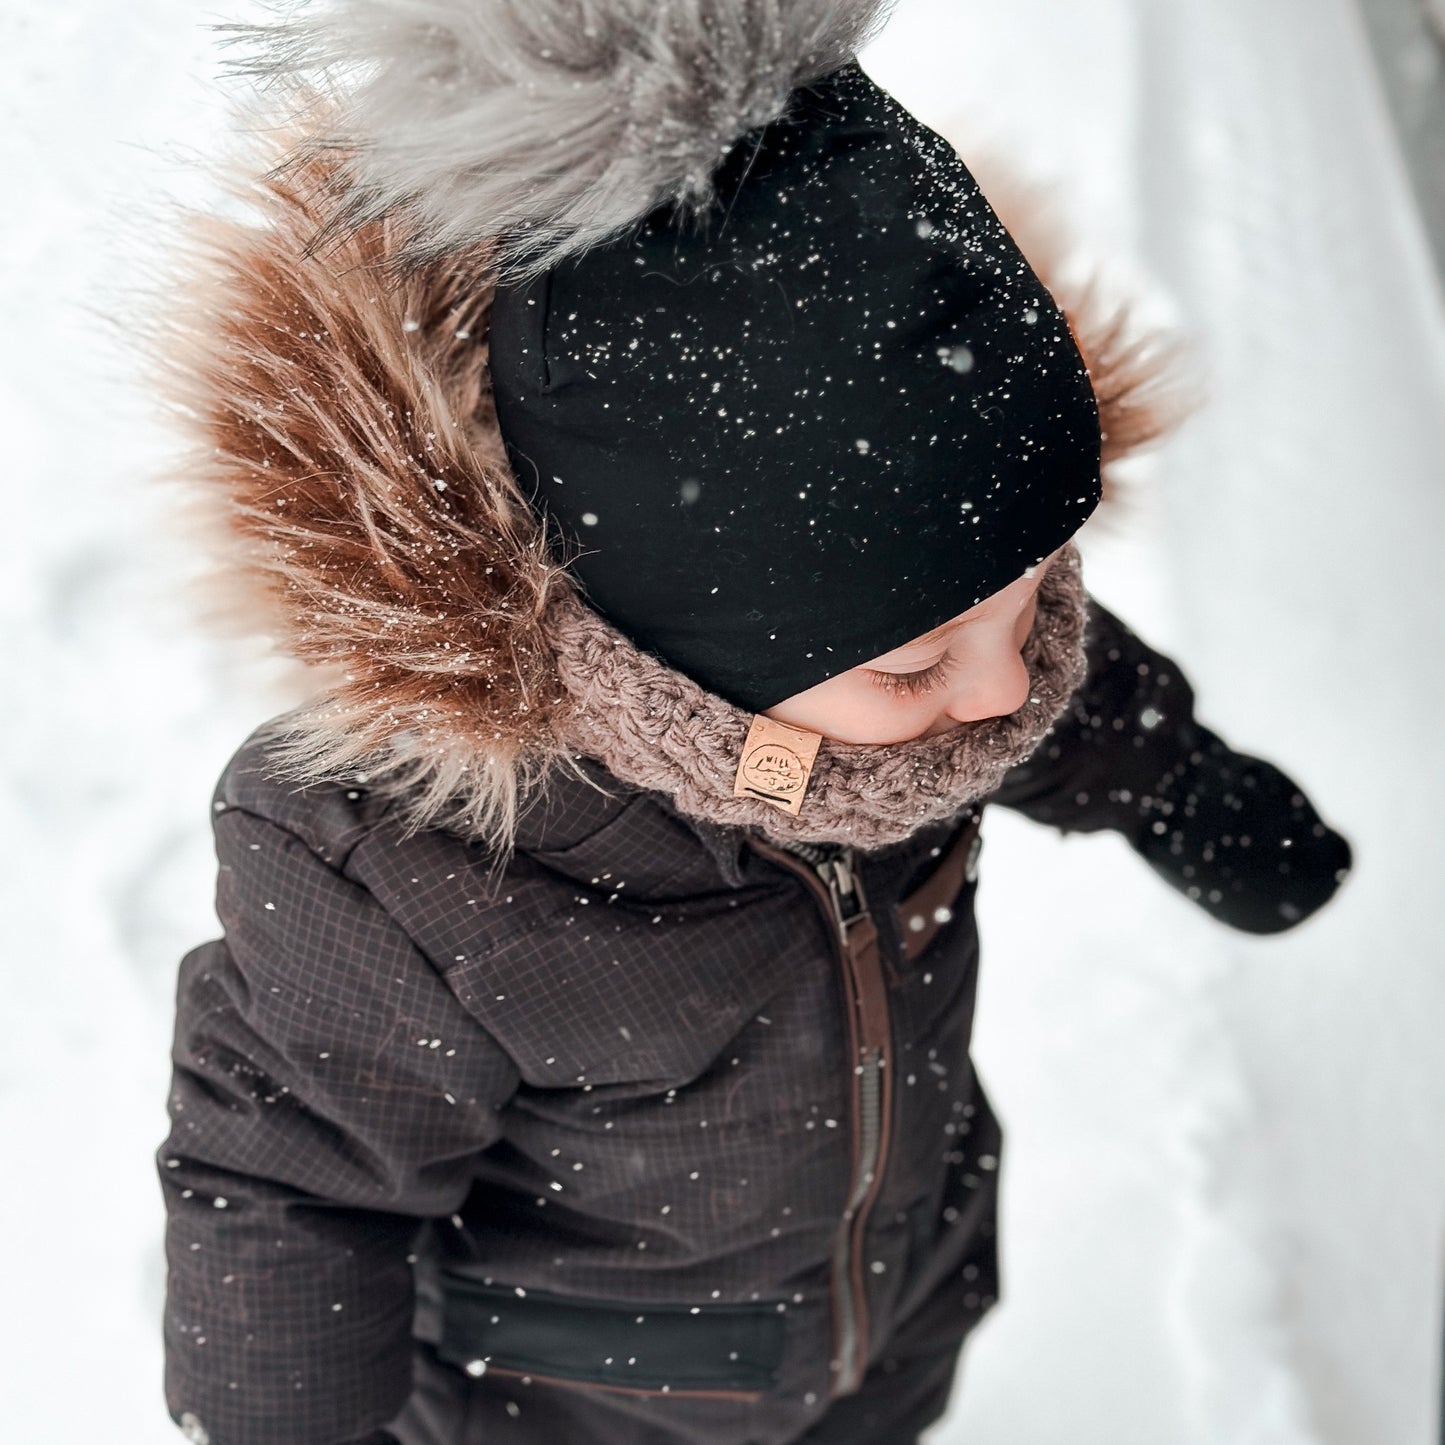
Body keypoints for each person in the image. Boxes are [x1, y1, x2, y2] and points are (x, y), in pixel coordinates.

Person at [155, 5, 1351, 1443]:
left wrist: (1183, 791)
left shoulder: (940, 681)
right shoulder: (405, 866)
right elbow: (292, 1191)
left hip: (892, 1303)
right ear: (684, 640)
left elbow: (1072, 704)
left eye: (1033, 606)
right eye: (918, 665)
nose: (999, 691)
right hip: (574, 1403)